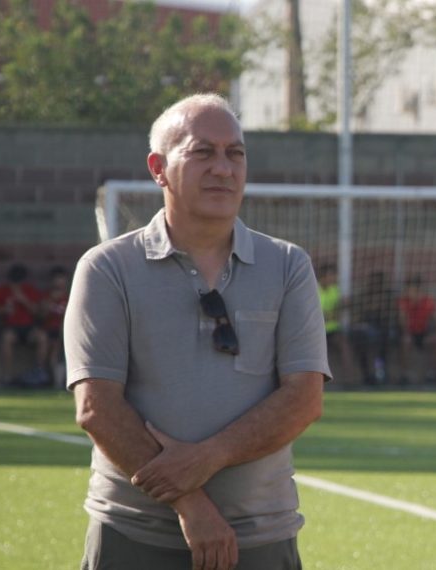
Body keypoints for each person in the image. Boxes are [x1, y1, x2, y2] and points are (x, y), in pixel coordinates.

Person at [65, 93, 329, 570]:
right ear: (158, 167)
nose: (224, 168)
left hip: (263, 535)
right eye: (202, 152)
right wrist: (192, 505)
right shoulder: (107, 269)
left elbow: (304, 399)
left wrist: (209, 456)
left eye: (236, 153)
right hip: (132, 534)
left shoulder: (288, 265)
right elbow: (96, 408)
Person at [0, 263, 49, 386]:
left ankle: (39, 370)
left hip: (29, 326)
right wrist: (4, 309)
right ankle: (7, 375)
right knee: (7, 338)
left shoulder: (30, 290)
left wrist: (24, 300)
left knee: (42, 337)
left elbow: (38, 311)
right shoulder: (3, 290)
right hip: (11, 326)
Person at [317, 262, 356, 378]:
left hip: (333, 329)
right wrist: (333, 313)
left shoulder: (335, 290)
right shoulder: (314, 289)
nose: (333, 278)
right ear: (323, 277)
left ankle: (349, 378)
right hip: (317, 330)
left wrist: (345, 305)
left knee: (345, 345)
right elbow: (320, 315)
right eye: (331, 275)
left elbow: (339, 310)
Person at [397, 274, 436, 384]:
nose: (413, 292)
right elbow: (402, 322)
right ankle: (405, 374)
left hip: (424, 333)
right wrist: (406, 333)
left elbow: (435, 321)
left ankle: (432, 373)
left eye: (416, 289)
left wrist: (431, 333)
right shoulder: (403, 302)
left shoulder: (428, 302)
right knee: (405, 341)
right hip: (410, 333)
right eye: (410, 289)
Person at [41, 265, 70, 388]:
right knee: (51, 345)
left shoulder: (71, 296)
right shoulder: (47, 297)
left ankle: (60, 382)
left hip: (66, 332)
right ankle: (51, 379)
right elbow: (40, 315)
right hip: (49, 330)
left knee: (58, 346)